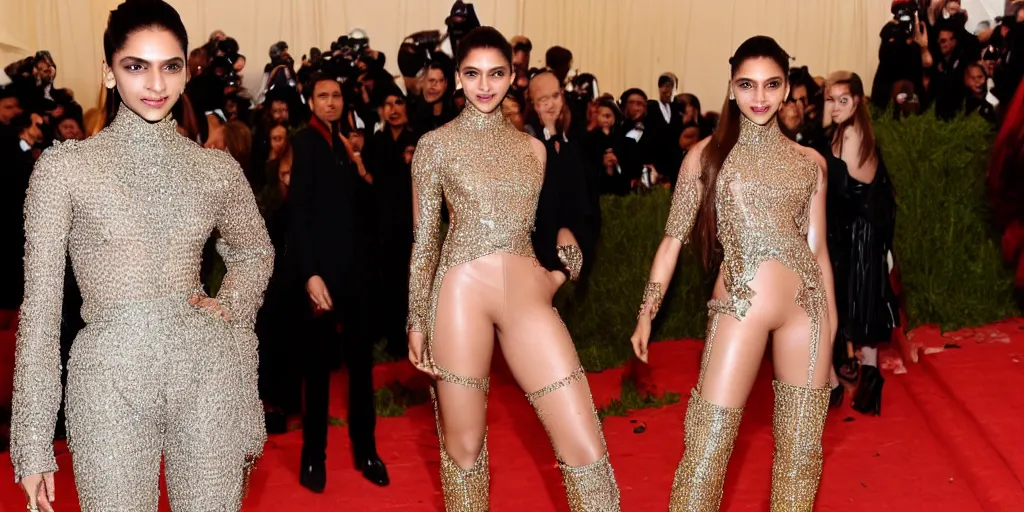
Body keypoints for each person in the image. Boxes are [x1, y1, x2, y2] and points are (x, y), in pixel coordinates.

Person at [10, 1, 274, 510]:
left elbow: (253, 250)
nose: (156, 84)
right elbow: (40, 311)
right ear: (109, 72)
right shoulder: (64, 170)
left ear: (186, 71)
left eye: (170, 66)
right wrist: (33, 440)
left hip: (208, 375)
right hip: (108, 380)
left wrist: (231, 306)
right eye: (136, 66)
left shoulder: (214, 170)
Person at [406, 27, 620, 510]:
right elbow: (424, 243)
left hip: (526, 294)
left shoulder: (534, 151)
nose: (485, 85)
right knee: (464, 450)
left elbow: (557, 233)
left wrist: (563, 269)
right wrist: (417, 317)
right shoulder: (434, 147)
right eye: (473, 74)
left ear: (513, 77)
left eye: (496, 73)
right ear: (458, 78)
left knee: (584, 442)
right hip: (459, 294)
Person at [630, 36, 836, 511]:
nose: (759, 97)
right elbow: (671, 242)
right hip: (739, 305)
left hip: (807, 311)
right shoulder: (704, 157)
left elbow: (818, 251)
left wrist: (833, 328)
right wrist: (647, 314)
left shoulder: (812, 164)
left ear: (787, 90)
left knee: (801, 454)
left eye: (771, 85)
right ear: (731, 88)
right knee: (708, 446)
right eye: (747, 85)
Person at [288, 71, 388, 493]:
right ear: (310, 101)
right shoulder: (306, 143)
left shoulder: (346, 144)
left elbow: (367, 208)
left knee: (362, 369)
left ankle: (367, 450)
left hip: (355, 276)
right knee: (317, 369)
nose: (330, 102)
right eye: (322, 96)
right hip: (321, 279)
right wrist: (309, 272)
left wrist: (361, 166)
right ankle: (313, 456)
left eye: (336, 96)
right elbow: (298, 214)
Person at [820, 71, 898, 416]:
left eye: (843, 100)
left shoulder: (852, 133)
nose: (835, 107)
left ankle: (856, 385)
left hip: (860, 232)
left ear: (858, 101)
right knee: (853, 305)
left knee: (857, 305)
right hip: (851, 230)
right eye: (830, 100)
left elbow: (847, 189)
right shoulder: (841, 130)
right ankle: (854, 383)